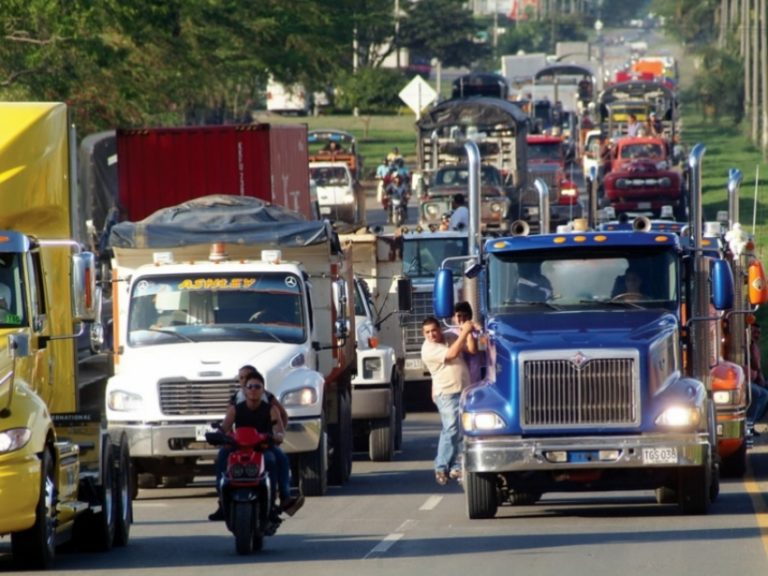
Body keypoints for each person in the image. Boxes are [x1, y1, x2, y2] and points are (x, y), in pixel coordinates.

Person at [209, 367, 303, 521]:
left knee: (277, 459)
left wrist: (277, 436)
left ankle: (279, 500)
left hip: (263, 446)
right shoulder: (235, 407)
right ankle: (222, 502)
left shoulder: (271, 408)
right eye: (249, 386)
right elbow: (225, 427)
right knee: (221, 456)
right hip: (239, 447)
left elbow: (279, 427)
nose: (253, 390)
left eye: (257, 386)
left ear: (263, 389)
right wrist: (219, 436)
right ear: (244, 389)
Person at [421, 316, 474, 485]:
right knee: (451, 428)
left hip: (464, 391)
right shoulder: (428, 349)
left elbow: (471, 350)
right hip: (447, 393)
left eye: (434, 330)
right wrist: (464, 331)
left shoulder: (451, 338)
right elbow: (452, 354)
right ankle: (441, 466)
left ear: (440, 329)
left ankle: (456, 466)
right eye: (427, 332)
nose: (431, 335)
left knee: (463, 429)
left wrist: (469, 332)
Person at [449, 301, 485, 386]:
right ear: (453, 317)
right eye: (459, 316)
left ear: (469, 317)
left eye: (465, 316)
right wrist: (466, 331)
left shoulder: (477, 333)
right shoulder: (449, 334)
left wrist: (481, 330)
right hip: (458, 381)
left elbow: (484, 348)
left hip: (475, 379)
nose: (462, 319)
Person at [747, 323, 768, 431]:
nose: (757, 335)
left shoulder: (755, 346)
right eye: (754, 332)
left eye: (758, 333)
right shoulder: (748, 346)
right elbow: (756, 365)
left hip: (754, 380)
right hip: (746, 381)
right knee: (761, 393)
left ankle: (753, 421)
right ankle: (750, 423)